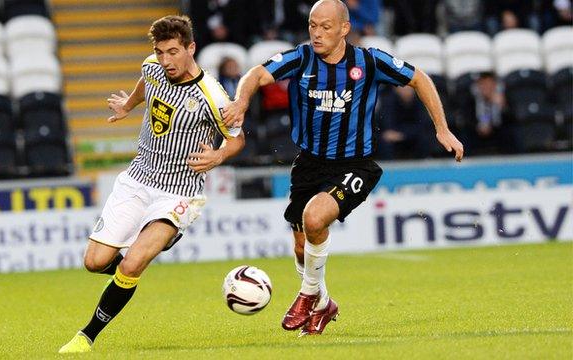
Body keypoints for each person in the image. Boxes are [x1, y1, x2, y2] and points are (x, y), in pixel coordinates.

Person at [223, 0, 463, 336]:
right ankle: (323, 304)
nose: (317, 33)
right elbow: (256, 74)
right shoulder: (302, 58)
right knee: (300, 246)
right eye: (312, 25)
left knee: (314, 218)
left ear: (344, 29)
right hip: (308, 164)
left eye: (325, 27)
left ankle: (307, 296)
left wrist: (442, 128)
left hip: (355, 165)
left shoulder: (370, 61)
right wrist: (241, 101)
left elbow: (419, 78)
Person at [58, 15, 244, 353]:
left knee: (131, 263)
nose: (166, 60)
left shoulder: (213, 96)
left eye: (174, 52)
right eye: (160, 52)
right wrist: (129, 104)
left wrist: (218, 156)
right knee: (95, 261)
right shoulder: (152, 67)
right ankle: (135, 265)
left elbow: (237, 138)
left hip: (179, 192)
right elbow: (146, 81)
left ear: (191, 48)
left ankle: (86, 336)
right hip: (137, 180)